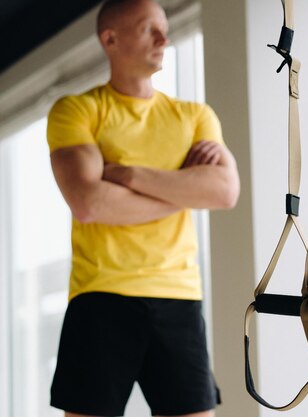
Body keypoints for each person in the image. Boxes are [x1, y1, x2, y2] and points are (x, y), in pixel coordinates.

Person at [46, 0, 240, 415]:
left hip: (179, 296)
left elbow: (223, 193)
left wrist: (128, 176)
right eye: (148, 28)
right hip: (101, 296)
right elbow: (90, 203)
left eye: (164, 28)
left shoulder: (194, 116)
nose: (163, 38)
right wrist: (185, 188)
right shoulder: (76, 111)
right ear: (110, 39)